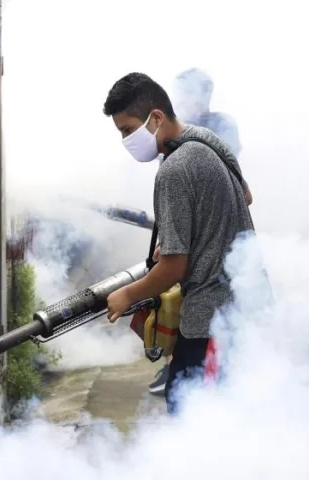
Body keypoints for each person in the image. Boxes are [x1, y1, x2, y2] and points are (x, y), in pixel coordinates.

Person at [102, 72, 255, 415]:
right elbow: (244, 196)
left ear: (155, 118)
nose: (126, 140)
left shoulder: (173, 169)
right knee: (239, 413)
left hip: (212, 318)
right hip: (247, 308)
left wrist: (127, 294)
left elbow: (174, 268)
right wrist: (188, 235)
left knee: (192, 412)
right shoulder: (208, 140)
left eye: (127, 130)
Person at [145, 68, 251, 395]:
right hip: (186, 241)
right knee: (176, 305)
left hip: (216, 252)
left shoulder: (218, 129)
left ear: (205, 95)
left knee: (215, 325)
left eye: (189, 94)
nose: (184, 100)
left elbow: (238, 191)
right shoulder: (172, 135)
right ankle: (177, 367)